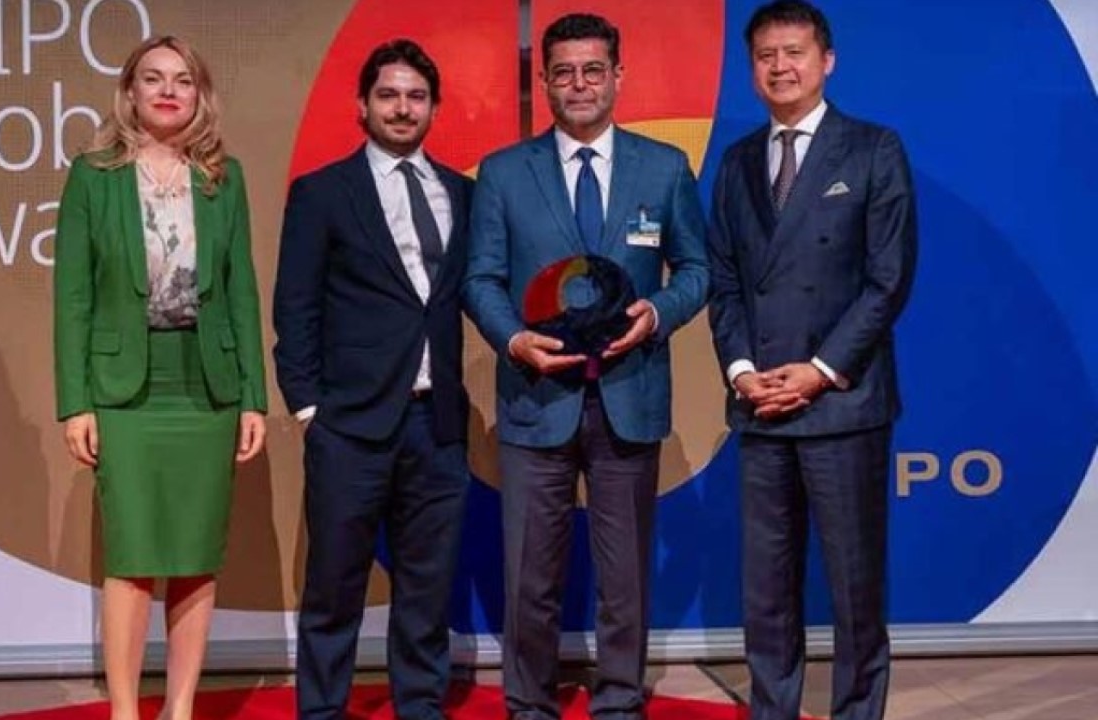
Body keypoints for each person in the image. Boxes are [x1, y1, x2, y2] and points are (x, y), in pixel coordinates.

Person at [463, 13, 708, 720]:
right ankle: (528, 704)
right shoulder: (504, 173)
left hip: (629, 397)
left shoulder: (664, 168)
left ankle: (620, 702)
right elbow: (480, 278)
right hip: (536, 397)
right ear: (544, 82)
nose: (579, 84)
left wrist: (658, 312)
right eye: (564, 72)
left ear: (617, 77)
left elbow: (697, 268)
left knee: (625, 576)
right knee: (530, 574)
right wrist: (514, 339)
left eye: (593, 70)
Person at [706, 2, 918, 719]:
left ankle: (857, 710)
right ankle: (773, 709)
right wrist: (741, 371)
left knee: (856, 587)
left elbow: (888, 280)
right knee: (766, 589)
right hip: (761, 403)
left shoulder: (872, 149)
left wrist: (820, 371)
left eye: (793, 52)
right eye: (765, 55)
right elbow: (725, 282)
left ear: (826, 60)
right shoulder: (737, 161)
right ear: (751, 69)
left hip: (842, 404)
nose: (780, 67)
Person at [53, 35, 268, 720]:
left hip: (206, 387)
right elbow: (73, 297)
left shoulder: (224, 178)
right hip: (125, 391)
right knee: (133, 556)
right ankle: (124, 710)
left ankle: (179, 709)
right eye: (153, 78)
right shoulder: (94, 176)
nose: (169, 91)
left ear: (200, 94)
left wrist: (253, 397)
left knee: (196, 557)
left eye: (183, 80)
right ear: (131, 92)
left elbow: (241, 291)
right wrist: (75, 402)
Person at [272, 39, 472, 720]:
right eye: (388, 95)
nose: (402, 108)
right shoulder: (323, 193)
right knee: (334, 588)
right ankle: (321, 711)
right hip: (349, 425)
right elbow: (295, 307)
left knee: (427, 588)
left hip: (437, 424)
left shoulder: (463, 193)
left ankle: (420, 705)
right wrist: (308, 410)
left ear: (434, 108)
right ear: (362, 105)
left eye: (416, 96)